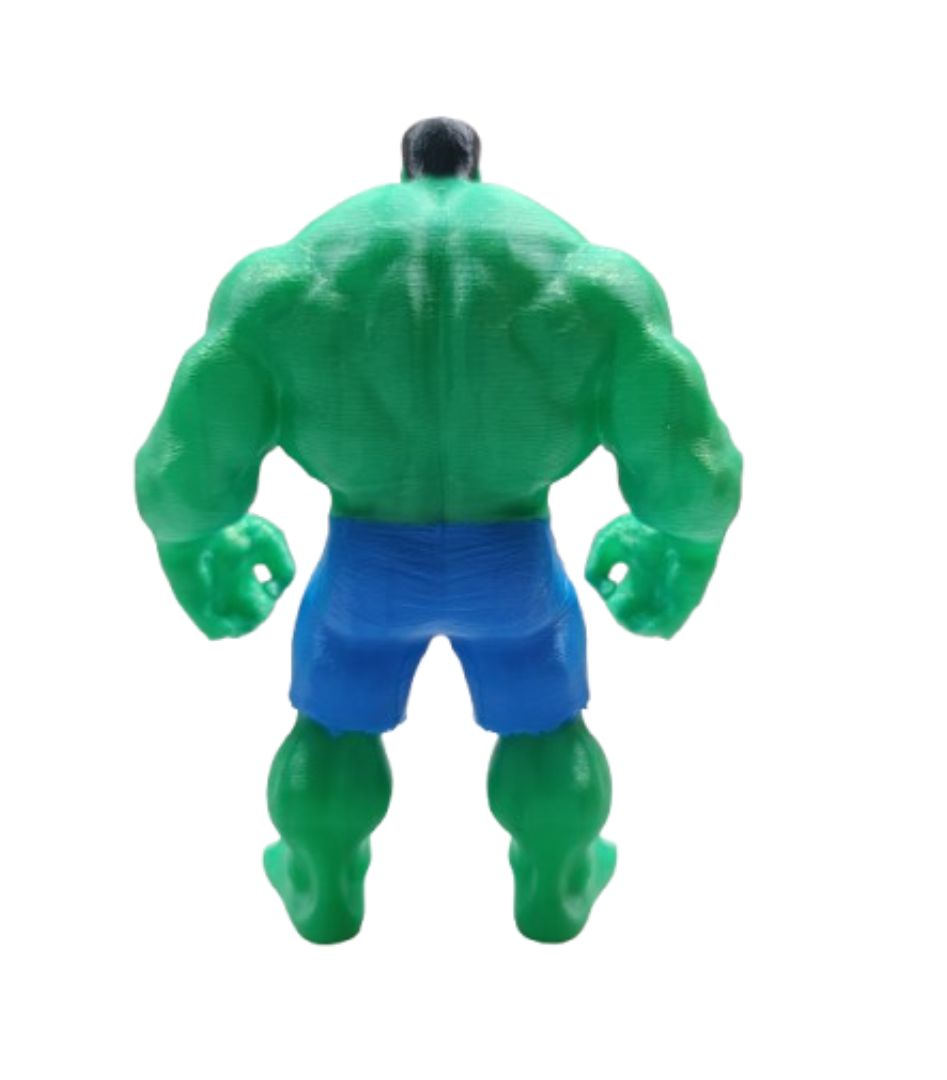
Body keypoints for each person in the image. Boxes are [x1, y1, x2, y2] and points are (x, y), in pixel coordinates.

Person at [135, 118, 743, 943]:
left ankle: (321, 887)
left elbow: (181, 477)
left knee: (331, 725)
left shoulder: (289, 283)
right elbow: (696, 480)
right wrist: (684, 549)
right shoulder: (589, 283)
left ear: (406, 167)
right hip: (514, 576)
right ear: (475, 168)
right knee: (547, 726)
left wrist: (193, 549)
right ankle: (558, 886)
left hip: (364, 578)